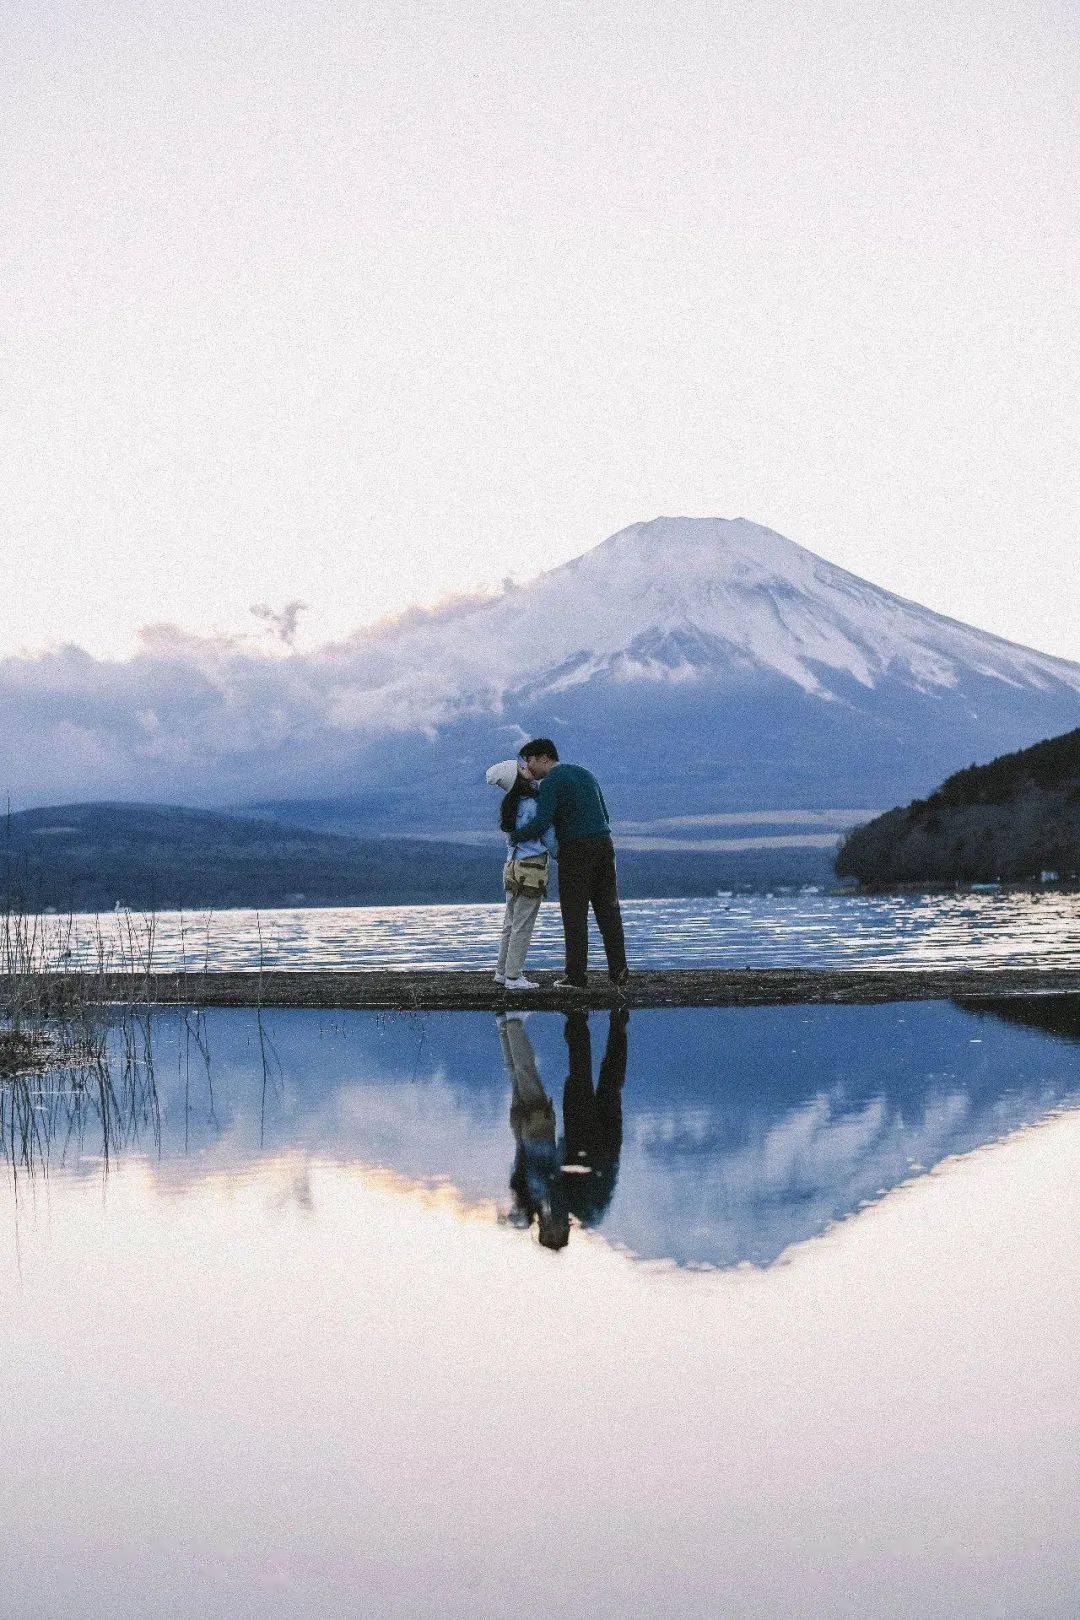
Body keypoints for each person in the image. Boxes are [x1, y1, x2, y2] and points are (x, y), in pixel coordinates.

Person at [519, 738, 629, 992]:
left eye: (530, 761)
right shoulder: (586, 774)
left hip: (575, 849)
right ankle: (619, 972)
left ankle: (576, 976)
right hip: (604, 844)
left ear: (544, 758)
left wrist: (516, 836)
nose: (528, 767)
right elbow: (605, 814)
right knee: (608, 911)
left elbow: (542, 821)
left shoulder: (550, 781)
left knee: (574, 914)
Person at [498, 1013, 570, 1251]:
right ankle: (504, 1025)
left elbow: (552, 1173)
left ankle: (512, 1023)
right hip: (524, 1133)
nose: (564, 1228)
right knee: (516, 1074)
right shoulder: (535, 1207)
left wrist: (564, 1144)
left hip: (538, 1131)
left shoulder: (547, 1205)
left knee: (525, 1072)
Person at [485, 758, 557, 991]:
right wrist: (563, 855)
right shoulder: (532, 805)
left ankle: (501, 972)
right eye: (522, 769)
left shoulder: (510, 805)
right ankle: (514, 976)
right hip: (531, 868)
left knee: (510, 922)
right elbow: (547, 837)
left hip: (512, 867)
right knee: (523, 924)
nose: (527, 768)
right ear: (518, 779)